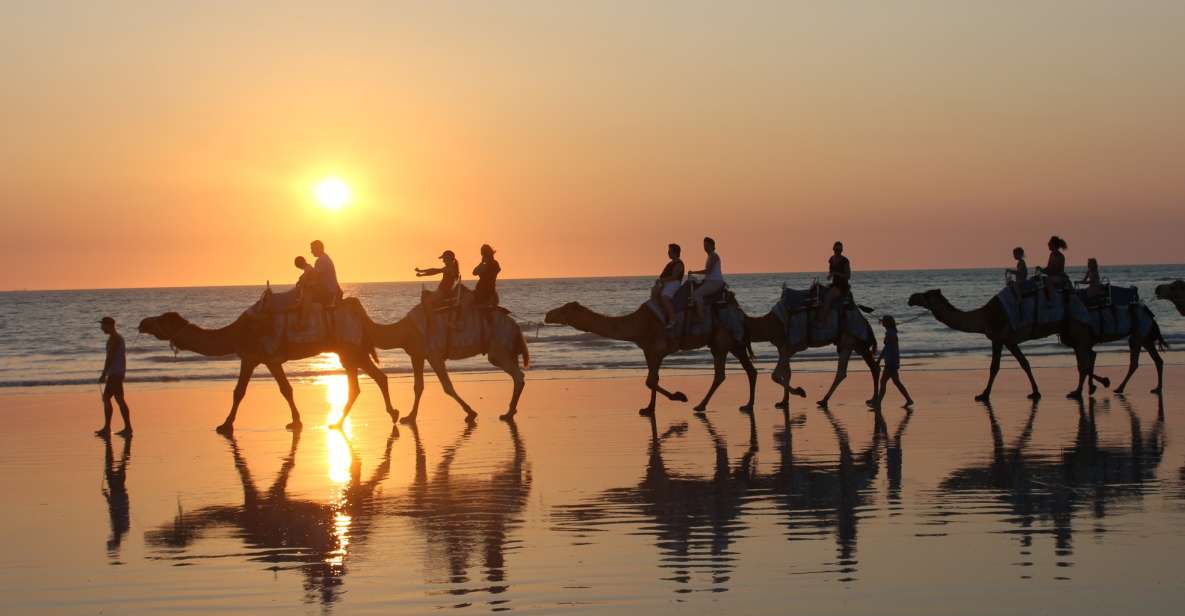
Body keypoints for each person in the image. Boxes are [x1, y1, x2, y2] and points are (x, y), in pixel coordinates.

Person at [96, 317, 132, 437]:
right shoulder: (115, 338)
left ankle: (125, 428)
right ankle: (114, 427)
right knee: (110, 398)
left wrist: (103, 374)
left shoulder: (115, 339)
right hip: (117, 373)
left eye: (103, 325)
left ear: (109, 325)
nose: (101, 328)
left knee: (116, 399)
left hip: (115, 374)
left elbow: (110, 358)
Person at [869, 315, 913, 408]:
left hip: (891, 361)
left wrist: (879, 360)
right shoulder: (891, 332)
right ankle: (909, 400)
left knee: (883, 381)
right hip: (893, 360)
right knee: (896, 382)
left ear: (887, 323)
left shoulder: (890, 333)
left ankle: (878, 403)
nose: (882, 322)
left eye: (884, 321)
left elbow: (886, 348)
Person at [416, 250, 462, 326]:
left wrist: (422, 273)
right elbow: (435, 270)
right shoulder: (449, 268)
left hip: (443, 292)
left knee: (427, 302)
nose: (443, 261)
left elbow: (434, 271)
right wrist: (421, 272)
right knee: (425, 293)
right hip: (441, 291)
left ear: (448, 258)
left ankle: (432, 323)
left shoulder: (450, 269)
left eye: (444, 258)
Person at [688, 237, 724, 323]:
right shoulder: (710, 257)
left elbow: (708, 271)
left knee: (696, 294)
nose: (705, 247)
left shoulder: (714, 256)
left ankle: (701, 317)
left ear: (712, 246)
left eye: (707, 245)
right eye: (704, 245)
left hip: (715, 282)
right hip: (710, 281)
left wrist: (693, 272)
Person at [652, 243, 684, 327]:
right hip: (666, 282)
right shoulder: (669, 264)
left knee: (664, 297)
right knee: (654, 294)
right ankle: (661, 316)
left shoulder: (679, 264)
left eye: (670, 251)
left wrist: (662, 280)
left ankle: (673, 319)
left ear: (675, 252)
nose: (668, 253)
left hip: (674, 283)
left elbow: (674, 277)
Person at [819, 241, 851, 323]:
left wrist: (836, 273)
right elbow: (830, 273)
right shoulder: (831, 259)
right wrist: (829, 276)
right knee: (819, 291)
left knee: (828, 297)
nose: (838, 251)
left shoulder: (845, 261)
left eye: (840, 250)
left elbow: (848, 276)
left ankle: (823, 319)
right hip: (834, 284)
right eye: (836, 249)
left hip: (842, 286)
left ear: (842, 250)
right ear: (833, 249)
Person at [309, 240, 343, 306]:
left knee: (307, 295)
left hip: (329, 293)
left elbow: (315, 278)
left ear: (318, 248)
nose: (311, 251)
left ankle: (305, 315)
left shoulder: (321, 260)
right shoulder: (326, 258)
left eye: (312, 249)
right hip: (333, 291)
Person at [1035, 235, 1067, 300]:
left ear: (1053, 245)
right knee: (1035, 279)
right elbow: (1049, 268)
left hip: (1059, 277)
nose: (1048, 246)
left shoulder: (1060, 256)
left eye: (1050, 244)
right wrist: (1041, 269)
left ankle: (1051, 298)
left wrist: (1044, 271)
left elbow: (1056, 271)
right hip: (1052, 276)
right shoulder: (1051, 254)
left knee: (1047, 280)